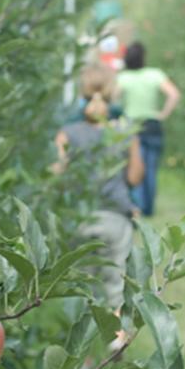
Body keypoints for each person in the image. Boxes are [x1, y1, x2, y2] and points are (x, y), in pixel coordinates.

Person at [53, 64, 144, 316]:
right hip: (116, 217)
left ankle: (86, 352)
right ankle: (115, 344)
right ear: (112, 94)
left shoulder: (66, 134)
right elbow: (135, 178)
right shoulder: (125, 132)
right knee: (115, 285)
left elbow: (56, 176)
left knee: (83, 287)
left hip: (81, 217)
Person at [117, 42, 181, 216]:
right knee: (151, 168)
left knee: (134, 165)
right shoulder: (155, 74)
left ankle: (137, 205)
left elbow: (113, 100)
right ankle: (149, 209)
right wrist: (163, 114)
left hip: (130, 126)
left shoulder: (123, 78)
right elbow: (174, 94)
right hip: (152, 124)